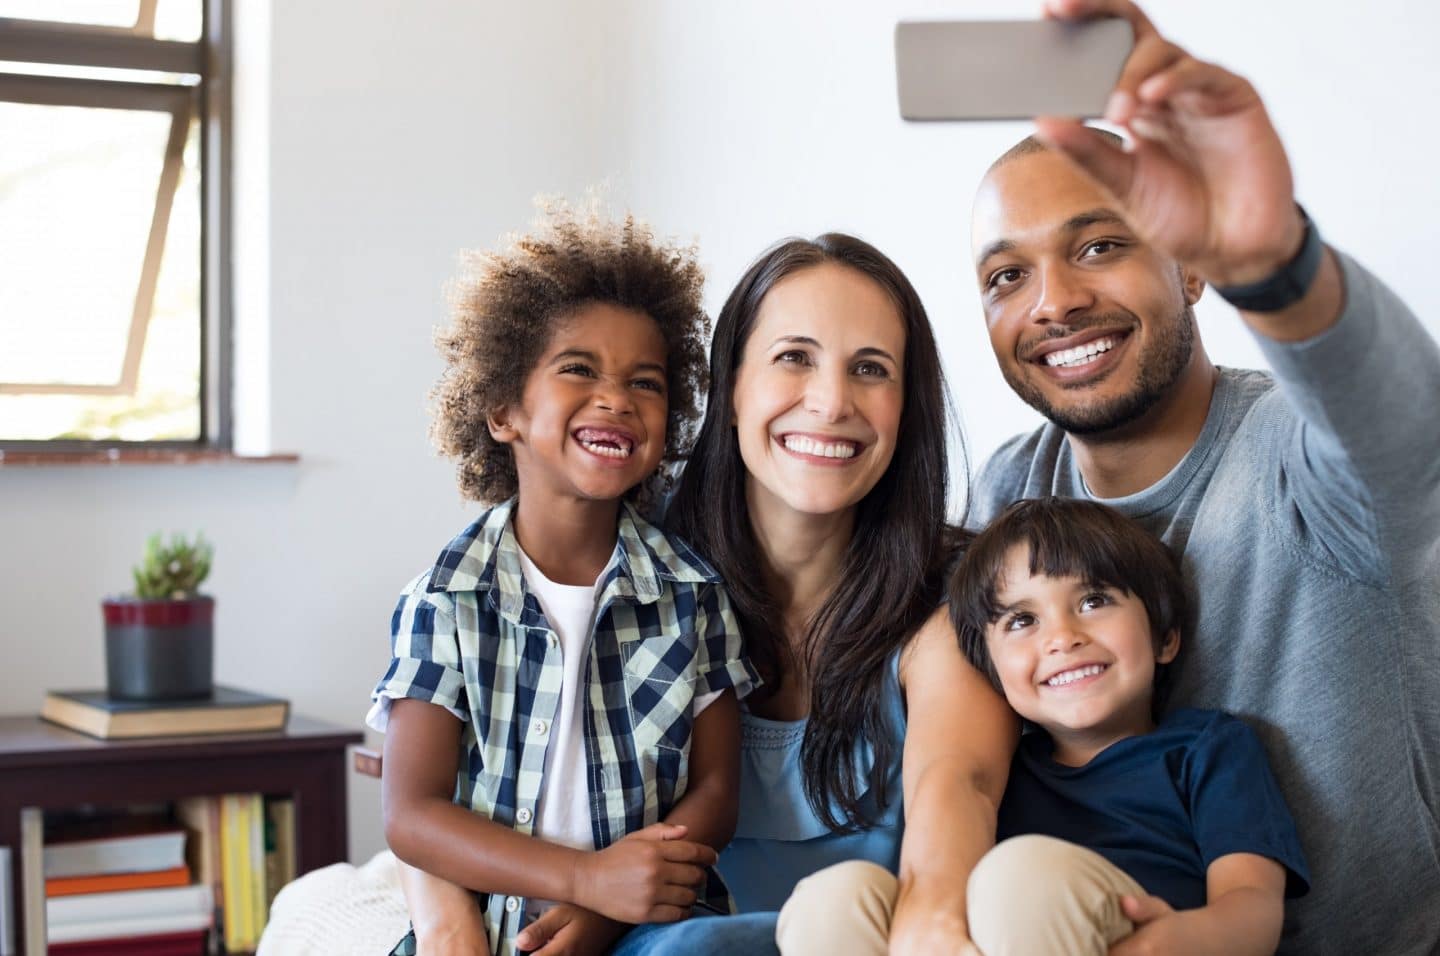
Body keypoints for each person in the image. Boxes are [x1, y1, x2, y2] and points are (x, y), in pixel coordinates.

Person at [966, 1, 1440, 952]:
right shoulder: (1009, 491)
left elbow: (1405, 437)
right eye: (1006, 276)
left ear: (1188, 268)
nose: (1054, 302)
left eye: (1100, 246)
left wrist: (1271, 262)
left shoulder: (1292, 452)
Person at [402, 233, 1016, 955]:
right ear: (728, 392)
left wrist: (937, 920)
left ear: (905, 408)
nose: (830, 401)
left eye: (871, 369)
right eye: (794, 357)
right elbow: (433, 764)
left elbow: (961, 783)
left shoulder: (952, 603)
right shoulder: (626, 564)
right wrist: (446, 916)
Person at [367, 204, 759, 956]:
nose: (616, 397)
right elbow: (411, 816)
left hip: (646, 923)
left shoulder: (694, 595)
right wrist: (584, 880)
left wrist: (613, 904)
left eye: (645, 382)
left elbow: (716, 795)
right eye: (579, 369)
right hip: (487, 931)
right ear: (503, 409)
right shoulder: (444, 600)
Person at [946, 497, 1309, 955]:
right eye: (1023, 620)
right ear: (990, 671)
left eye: (1093, 600)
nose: (1062, 637)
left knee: (1016, 875)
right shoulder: (999, 778)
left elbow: (1253, 902)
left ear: (1165, 637)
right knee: (853, 893)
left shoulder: (1207, 748)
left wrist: (1191, 938)